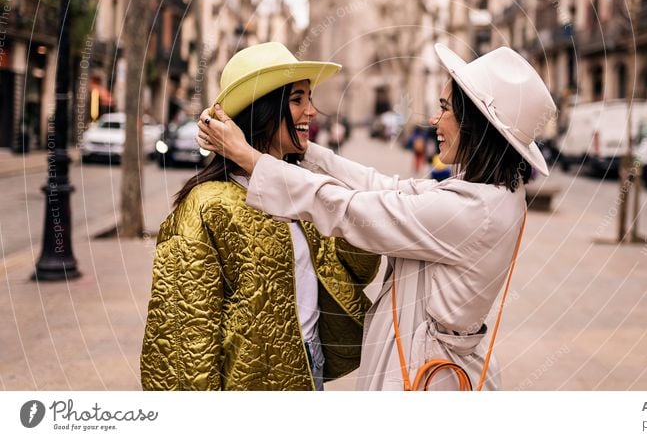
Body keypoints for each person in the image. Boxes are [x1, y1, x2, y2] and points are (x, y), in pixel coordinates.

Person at [197, 44, 557, 390]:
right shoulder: (490, 194)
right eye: (296, 101)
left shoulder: (471, 211)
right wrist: (303, 149)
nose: (434, 119)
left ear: (476, 125)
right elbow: (384, 187)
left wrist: (252, 158)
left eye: (445, 108)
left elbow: (350, 210)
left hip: (426, 379)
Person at [140, 42, 379, 391]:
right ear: (264, 111)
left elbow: (355, 270)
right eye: (297, 100)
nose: (312, 111)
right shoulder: (207, 206)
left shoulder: (300, 191)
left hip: (309, 370)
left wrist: (343, 194)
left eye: (309, 99)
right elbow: (183, 346)